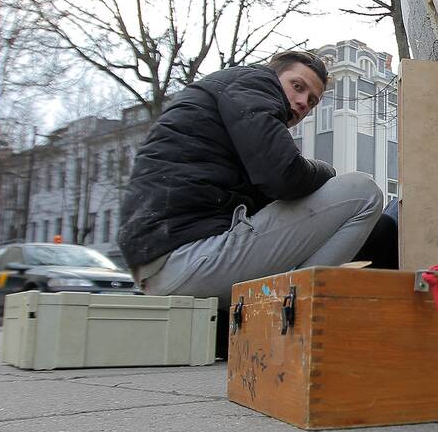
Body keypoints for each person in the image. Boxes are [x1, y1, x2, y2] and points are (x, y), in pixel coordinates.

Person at [117, 50, 384, 327]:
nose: (303, 102)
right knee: (362, 191)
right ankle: (294, 316)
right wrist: (328, 173)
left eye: (312, 100)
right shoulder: (254, 83)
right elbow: (283, 176)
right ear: (273, 75)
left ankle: (275, 310)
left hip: (164, 266)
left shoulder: (229, 112)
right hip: (185, 258)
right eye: (297, 86)